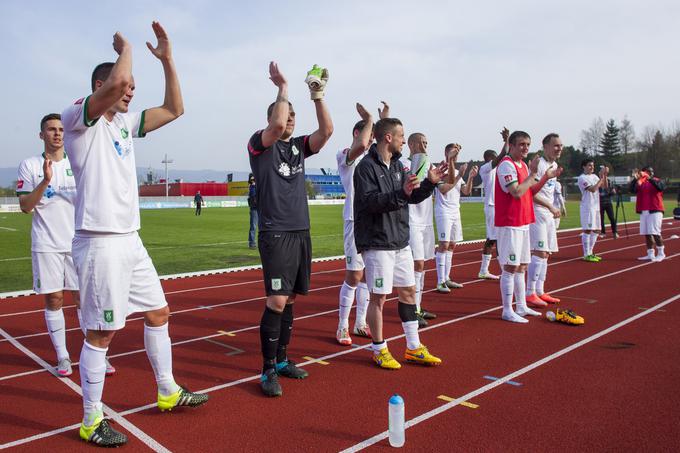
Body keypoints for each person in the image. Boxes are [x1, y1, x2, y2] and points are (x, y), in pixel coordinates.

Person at [62, 24, 208, 447]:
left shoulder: (125, 124)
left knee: (159, 312)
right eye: (123, 88)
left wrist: (166, 59)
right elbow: (121, 80)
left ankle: (166, 390)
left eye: (130, 89)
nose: (129, 93)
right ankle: (90, 420)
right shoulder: (78, 117)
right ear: (99, 86)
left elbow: (175, 108)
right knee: (102, 334)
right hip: (100, 241)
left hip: (130, 239)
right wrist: (126, 48)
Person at [248, 62, 333, 396]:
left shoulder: (298, 146)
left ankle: (282, 360)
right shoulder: (260, 144)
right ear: (272, 119)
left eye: (295, 115)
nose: (291, 120)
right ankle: (267, 369)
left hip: (300, 231)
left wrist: (317, 95)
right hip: (276, 232)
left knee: (293, 298)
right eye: (287, 114)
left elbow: (326, 132)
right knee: (277, 300)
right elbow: (278, 122)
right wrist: (282, 87)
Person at [16, 114, 115, 378]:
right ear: (42, 135)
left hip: (77, 242)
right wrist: (45, 181)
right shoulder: (30, 165)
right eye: (51, 129)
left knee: (85, 300)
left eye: (61, 129)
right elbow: (25, 207)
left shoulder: (78, 162)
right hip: (46, 243)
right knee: (54, 299)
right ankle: (63, 356)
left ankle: (96, 354)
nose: (57, 133)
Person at [354, 117, 447, 369]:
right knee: (379, 298)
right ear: (388, 138)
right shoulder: (365, 168)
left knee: (408, 292)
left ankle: (414, 347)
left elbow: (411, 196)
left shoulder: (399, 166)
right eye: (401, 136)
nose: (404, 141)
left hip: (400, 240)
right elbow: (371, 202)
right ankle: (379, 349)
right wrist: (401, 193)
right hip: (377, 242)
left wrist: (430, 183)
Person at [495, 131, 556, 323]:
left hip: (523, 221)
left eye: (528, 144)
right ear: (511, 146)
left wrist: (543, 177)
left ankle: (521, 306)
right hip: (510, 222)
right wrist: (532, 175)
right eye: (521, 144)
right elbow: (516, 191)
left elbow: (530, 191)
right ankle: (507, 310)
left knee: (522, 266)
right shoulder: (506, 164)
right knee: (510, 267)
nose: (525, 148)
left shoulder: (522, 165)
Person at [335, 102, 376, 345]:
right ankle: (342, 326)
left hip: (373, 222)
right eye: (369, 135)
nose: (370, 141)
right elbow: (360, 145)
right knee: (354, 275)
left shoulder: (373, 159)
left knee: (369, 276)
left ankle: (361, 323)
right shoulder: (345, 155)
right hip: (354, 221)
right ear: (357, 134)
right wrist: (370, 118)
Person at [525, 133, 564, 307]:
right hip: (537, 212)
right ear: (545, 146)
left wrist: (555, 207)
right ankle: (530, 292)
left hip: (548, 213)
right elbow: (531, 192)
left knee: (546, 253)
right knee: (539, 252)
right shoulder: (538, 164)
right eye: (556, 145)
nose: (559, 149)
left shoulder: (554, 165)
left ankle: (540, 290)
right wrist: (550, 206)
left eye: (561, 146)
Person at [434, 144, 477, 293]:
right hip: (443, 212)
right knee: (444, 244)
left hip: (455, 211)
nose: (456, 155)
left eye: (458, 153)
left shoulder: (459, 172)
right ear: (446, 153)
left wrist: (470, 177)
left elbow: (466, 191)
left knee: (452, 245)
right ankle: (440, 282)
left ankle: (446, 278)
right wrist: (459, 176)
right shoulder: (441, 170)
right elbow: (444, 190)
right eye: (454, 152)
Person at [405, 132, 438, 327]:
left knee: (423, 265)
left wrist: (451, 161)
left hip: (426, 221)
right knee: (417, 265)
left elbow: (445, 185)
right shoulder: (406, 165)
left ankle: (419, 305)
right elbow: (414, 185)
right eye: (421, 142)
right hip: (412, 221)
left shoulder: (430, 165)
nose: (425, 146)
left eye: (427, 142)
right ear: (411, 144)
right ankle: (413, 309)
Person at [477, 128, 509, 280]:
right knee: (494, 239)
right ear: (489, 159)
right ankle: (495, 271)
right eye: (494, 158)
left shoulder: (497, 170)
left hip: (499, 207)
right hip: (492, 207)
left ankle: (487, 270)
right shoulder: (485, 169)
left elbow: (506, 157)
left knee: (498, 239)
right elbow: (504, 155)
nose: (498, 160)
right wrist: (507, 140)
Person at [630, 167, 666, 261]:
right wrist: (635, 178)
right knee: (647, 233)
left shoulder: (657, 180)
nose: (650, 173)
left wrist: (649, 178)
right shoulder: (641, 182)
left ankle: (661, 253)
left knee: (655, 233)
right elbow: (632, 190)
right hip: (643, 210)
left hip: (655, 210)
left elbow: (660, 187)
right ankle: (650, 254)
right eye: (647, 171)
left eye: (651, 171)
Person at [578, 159, 608, 262]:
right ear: (584, 166)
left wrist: (604, 176)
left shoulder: (594, 176)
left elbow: (604, 186)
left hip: (596, 207)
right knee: (587, 230)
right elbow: (593, 189)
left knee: (597, 230)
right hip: (587, 207)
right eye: (590, 165)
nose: (592, 167)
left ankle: (590, 252)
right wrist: (601, 178)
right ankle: (586, 254)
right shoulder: (582, 178)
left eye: (593, 165)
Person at [247, 174, 258, 248]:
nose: (253, 181)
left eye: (254, 180)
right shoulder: (252, 188)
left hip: (260, 208)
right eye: (252, 180)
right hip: (254, 209)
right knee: (253, 226)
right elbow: (253, 195)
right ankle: (251, 242)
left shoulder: (256, 187)